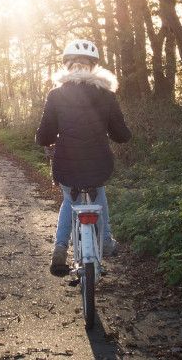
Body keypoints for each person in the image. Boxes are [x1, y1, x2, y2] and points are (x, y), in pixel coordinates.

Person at [35, 39, 132, 276]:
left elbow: (44, 135)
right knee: (98, 190)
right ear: (93, 67)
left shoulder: (56, 94)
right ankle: (106, 240)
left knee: (70, 198)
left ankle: (60, 247)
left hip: (66, 163)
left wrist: (45, 139)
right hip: (99, 162)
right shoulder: (107, 95)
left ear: (67, 66)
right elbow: (121, 135)